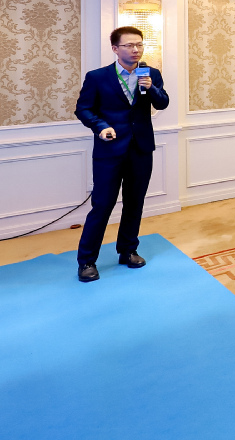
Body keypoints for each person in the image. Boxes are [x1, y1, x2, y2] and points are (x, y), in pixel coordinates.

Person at [73, 26, 170, 283]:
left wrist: (151, 88)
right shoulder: (97, 77)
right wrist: (100, 126)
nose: (136, 50)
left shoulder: (150, 74)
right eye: (129, 45)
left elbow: (162, 102)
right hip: (109, 150)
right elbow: (83, 109)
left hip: (141, 149)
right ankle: (86, 261)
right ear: (115, 49)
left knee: (134, 203)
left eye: (139, 45)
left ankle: (128, 251)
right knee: (102, 205)